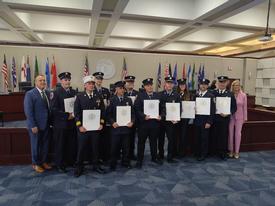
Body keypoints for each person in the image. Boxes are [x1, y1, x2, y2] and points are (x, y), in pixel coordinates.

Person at [73, 75, 106, 177]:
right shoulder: (79, 97)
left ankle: (96, 166)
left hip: (95, 128)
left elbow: (102, 111)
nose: (91, 85)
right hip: (84, 128)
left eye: (93, 83)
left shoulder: (98, 96)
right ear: (85, 85)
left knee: (95, 147)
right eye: (89, 84)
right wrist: (79, 126)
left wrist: (101, 123)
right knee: (81, 148)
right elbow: (76, 113)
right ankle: (79, 167)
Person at [24, 74, 52, 173]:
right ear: (35, 82)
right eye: (40, 80)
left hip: (46, 124)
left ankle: (43, 162)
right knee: (35, 145)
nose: (43, 82)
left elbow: (49, 109)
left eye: (44, 80)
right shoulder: (30, 94)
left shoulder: (47, 93)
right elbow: (28, 112)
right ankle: (35, 164)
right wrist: (33, 125)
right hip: (35, 125)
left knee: (45, 144)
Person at [51, 72, 77, 172]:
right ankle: (60, 165)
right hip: (60, 124)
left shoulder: (74, 92)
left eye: (68, 80)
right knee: (60, 145)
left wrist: (74, 114)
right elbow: (54, 109)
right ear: (61, 81)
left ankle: (70, 161)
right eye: (65, 80)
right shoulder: (56, 92)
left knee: (71, 144)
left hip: (71, 123)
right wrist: (67, 115)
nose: (67, 82)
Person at [134, 78, 163, 168]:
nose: (150, 87)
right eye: (147, 85)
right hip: (143, 124)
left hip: (154, 123)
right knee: (141, 142)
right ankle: (139, 160)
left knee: (154, 142)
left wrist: (161, 116)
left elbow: (163, 108)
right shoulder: (140, 96)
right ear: (144, 87)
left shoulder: (158, 95)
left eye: (151, 85)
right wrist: (143, 116)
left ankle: (154, 157)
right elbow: (137, 109)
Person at [107, 81, 135, 171]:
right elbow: (108, 114)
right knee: (114, 147)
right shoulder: (111, 100)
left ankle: (125, 162)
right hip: (116, 128)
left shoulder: (128, 100)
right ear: (116, 89)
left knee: (126, 147)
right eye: (120, 88)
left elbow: (133, 114)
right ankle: (113, 163)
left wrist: (132, 121)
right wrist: (112, 122)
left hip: (126, 128)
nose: (122, 90)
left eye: (123, 88)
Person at [213, 76, 237, 160]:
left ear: (226, 83)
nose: (222, 84)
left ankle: (222, 153)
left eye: (223, 82)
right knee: (214, 135)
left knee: (223, 136)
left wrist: (228, 113)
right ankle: (214, 152)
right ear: (218, 83)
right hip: (215, 118)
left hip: (224, 119)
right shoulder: (213, 93)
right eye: (220, 82)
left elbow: (234, 107)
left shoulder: (230, 94)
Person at [158, 76, 181, 163]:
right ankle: (160, 155)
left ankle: (170, 156)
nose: (169, 85)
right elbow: (157, 108)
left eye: (171, 83)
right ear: (165, 84)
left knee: (171, 139)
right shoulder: (159, 94)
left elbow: (179, 108)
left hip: (171, 121)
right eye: (168, 83)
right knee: (161, 139)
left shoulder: (176, 95)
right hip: (161, 121)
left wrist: (177, 118)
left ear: (173, 85)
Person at [194, 78, 215, 161]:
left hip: (205, 122)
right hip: (197, 121)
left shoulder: (211, 96)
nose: (203, 86)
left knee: (204, 138)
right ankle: (197, 153)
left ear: (207, 86)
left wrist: (209, 122)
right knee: (197, 138)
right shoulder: (196, 95)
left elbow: (212, 110)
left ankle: (203, 154)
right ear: (199, 85)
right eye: (201, 84)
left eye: (205, 84)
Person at [93, 72, 111, 162]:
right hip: (94, 118)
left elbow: (109, 102)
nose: (99, 80)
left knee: (104, 138)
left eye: (101, 79)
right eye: (97, 79)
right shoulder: (92, 90)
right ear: (94, 80)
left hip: (104, 117)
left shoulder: (106, 91)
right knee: (95, 139)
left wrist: (107, 104)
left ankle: (103, 156)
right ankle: (95, 157)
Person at [228, 80, 247, 159]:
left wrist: (245, 118)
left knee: (238, 134)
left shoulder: (243, 95)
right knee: (230, 134)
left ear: (240, 86)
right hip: (231, 117)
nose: (237, 87)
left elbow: (245, 107)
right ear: (232, 86)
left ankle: (237, 152)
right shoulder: (230, 94)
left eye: (238, 85)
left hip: (240, 117)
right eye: (235, 85)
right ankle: (231, 150)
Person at [176, 78, 193, 158]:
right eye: (181, 85)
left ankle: (183, 152)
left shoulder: (189, 95)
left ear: (185, 85)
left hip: (185, 119)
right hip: (176, 118)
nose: (182, 86)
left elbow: (192, 106)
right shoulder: (175, 94)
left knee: (184, 135)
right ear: (178, 86)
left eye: (183, 84)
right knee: (176, 136)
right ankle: (176, 151)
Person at [124, 75, 139, 160]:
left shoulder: (137, 94)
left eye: (132, 82)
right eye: (128, 82)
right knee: (124, 138)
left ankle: (131, 154)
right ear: (125, 83)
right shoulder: (122, 92)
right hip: (123, 119)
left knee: (132, 137)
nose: (130, 84)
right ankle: (123, 154)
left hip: (133, 119)